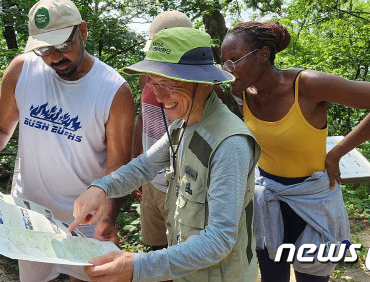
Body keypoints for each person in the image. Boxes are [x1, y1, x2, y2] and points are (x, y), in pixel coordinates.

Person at [0, 0, 135, 282]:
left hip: (86, 221)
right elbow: (0, 127)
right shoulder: (22, 69)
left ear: (82, 31)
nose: (54, 58)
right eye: (44, 48)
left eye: (62, 45)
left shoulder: (113, 89)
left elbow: (117, 165)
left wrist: (108, 217)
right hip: (28, 219)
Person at [68, 27, 262, 281]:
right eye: (154, 84)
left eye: (168, 85)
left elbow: (219, 240)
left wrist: (136, 266)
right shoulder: (182, 124)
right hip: (188, 271)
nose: (159, 97)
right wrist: (101, 188)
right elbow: (143, 167)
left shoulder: (229, 144)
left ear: (201, 80)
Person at [220, 21, 370, 281]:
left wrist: (337, 153)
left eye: (234, 60)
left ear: (264, 54)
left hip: (312, 201)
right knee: (273, 277)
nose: (227, 69)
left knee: (313, 277)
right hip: (269, 201)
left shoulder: (307, 85)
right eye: (224, 63)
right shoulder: (244, 92)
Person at [131, 10, 225, 253]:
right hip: (151, 178)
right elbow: (142, 117)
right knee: (155, 248)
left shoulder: (208, 91)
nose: (158, 86)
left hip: (184, 186)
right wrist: (135, 165)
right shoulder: (146, 79)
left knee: (183, 255)